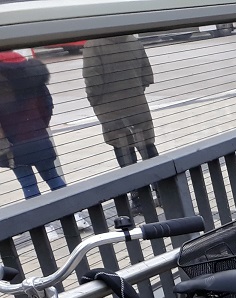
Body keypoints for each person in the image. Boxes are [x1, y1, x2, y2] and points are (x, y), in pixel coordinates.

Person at [82, 35, 159, 168]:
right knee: (147, 146)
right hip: (137, 105)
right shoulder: (134, 41)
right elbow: (147, 76)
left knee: (124, 149)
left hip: (111, 110)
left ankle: (137, 188)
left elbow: (93, 80)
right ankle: (163, 185)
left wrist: (94, 101)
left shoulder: (93, 46)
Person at [0, 49, 66, 199]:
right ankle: (75, 215)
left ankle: (41, 222)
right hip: (37, 136)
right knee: (53, 177)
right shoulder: (31, 71)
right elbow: (47, 104)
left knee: (28, 185)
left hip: (12, 142)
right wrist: (40, 126)